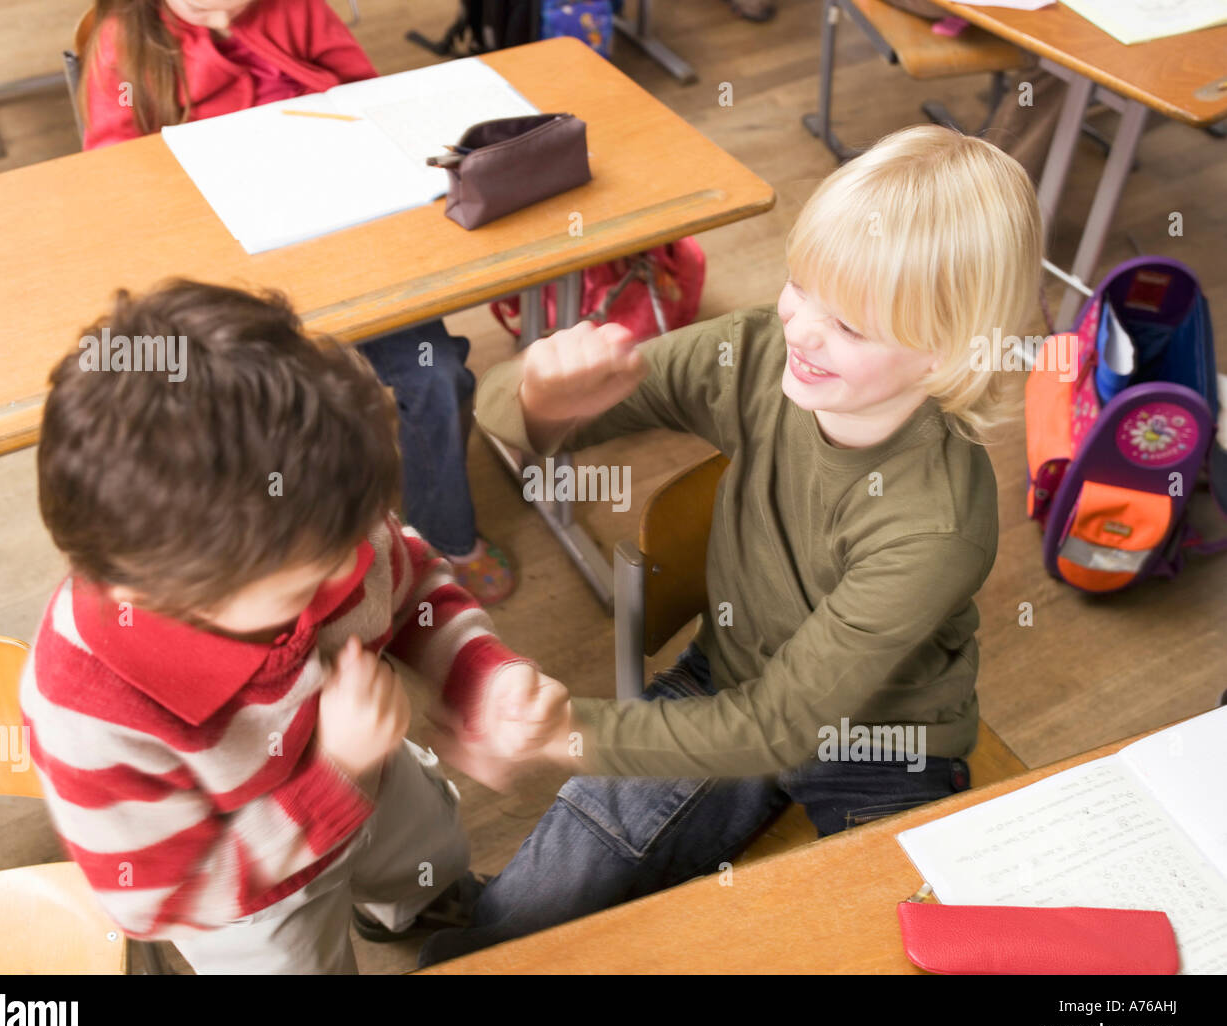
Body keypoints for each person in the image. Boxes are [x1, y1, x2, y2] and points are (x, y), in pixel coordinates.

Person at [420, 124, 1044, 964]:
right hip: (728, 683)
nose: (801, 327)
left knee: (888, 948)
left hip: (883, 743)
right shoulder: (753, 352)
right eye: (800, 284)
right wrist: (535, 392)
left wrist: (562, 734)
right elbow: (516, 418)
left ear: (947, 357)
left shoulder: (936, 525)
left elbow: (784, 727)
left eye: (849, 324)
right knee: (507, 934)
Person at [20, 279, 568, 973]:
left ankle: (413, 906)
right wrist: (335, 774)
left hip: (373, 769)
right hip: (255, 905)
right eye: (312, 582)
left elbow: (412, 585)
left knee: (426, 854)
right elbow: (162, 896)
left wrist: (482, 676)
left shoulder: (313, 517)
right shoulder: (87, 711)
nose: (357, 564)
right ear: (154, 591)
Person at [79, 0, 516, 601]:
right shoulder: (123, 41)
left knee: (436, 373)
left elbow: (369, 99)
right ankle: (286, 567)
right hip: (224, 274)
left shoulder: (297, 7)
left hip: (346, 242)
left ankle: (440, 537)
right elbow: (112, 177)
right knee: (260, 419)